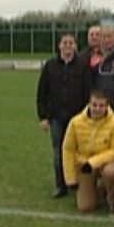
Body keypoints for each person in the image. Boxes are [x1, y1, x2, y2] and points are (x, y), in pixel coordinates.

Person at [37, 33, 89, 198]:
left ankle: (78, 183)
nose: (67, 46)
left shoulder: (83, 66)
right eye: (64, 43)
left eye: (70, 43)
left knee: (79, 151)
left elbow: (88, 92)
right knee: (58, 152)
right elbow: (42, 93)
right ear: (59, 46)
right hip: (56, 118)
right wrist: (43, 117)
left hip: (77, 118)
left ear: (75, 46)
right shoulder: (50, 66)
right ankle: (60, 185)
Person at [62, 89, 114, 215]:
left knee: (111, 172)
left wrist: (93, 162)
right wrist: (71, 179)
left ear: (107, 106)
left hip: (105, 162)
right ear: (89, 104)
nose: (97, 109)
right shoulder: (75, 122)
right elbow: (68, 150)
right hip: (84, 164)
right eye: (94, 105)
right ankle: (97, 189)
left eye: (101, 106)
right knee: (85, 207)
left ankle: (113, 200)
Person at [87, 24, 114, 128]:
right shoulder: (91, 58)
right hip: (98, 110)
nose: (106, 40)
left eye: (109, 36)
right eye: (104, 36)